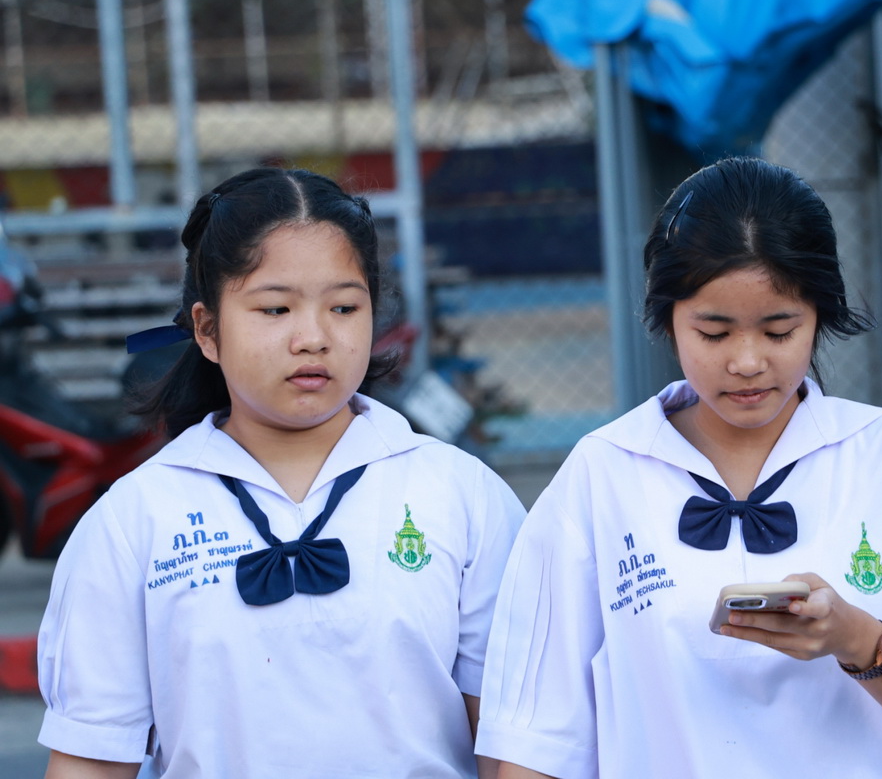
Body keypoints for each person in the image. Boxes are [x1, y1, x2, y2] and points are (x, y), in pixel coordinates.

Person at [475, 157, 882, 778]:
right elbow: (533, 738)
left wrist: (857, 639)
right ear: (668, 318)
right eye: (714, 333)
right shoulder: (603, 474)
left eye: (778, 330)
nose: (747, 362)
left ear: (819, 315)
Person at [37, 168, 525, 778]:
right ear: (208, 330)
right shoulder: (134, 519)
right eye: (275, 308)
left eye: (344, 307)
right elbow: (89, 763)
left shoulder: (461, 494)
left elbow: (514, 744)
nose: (313, 338)